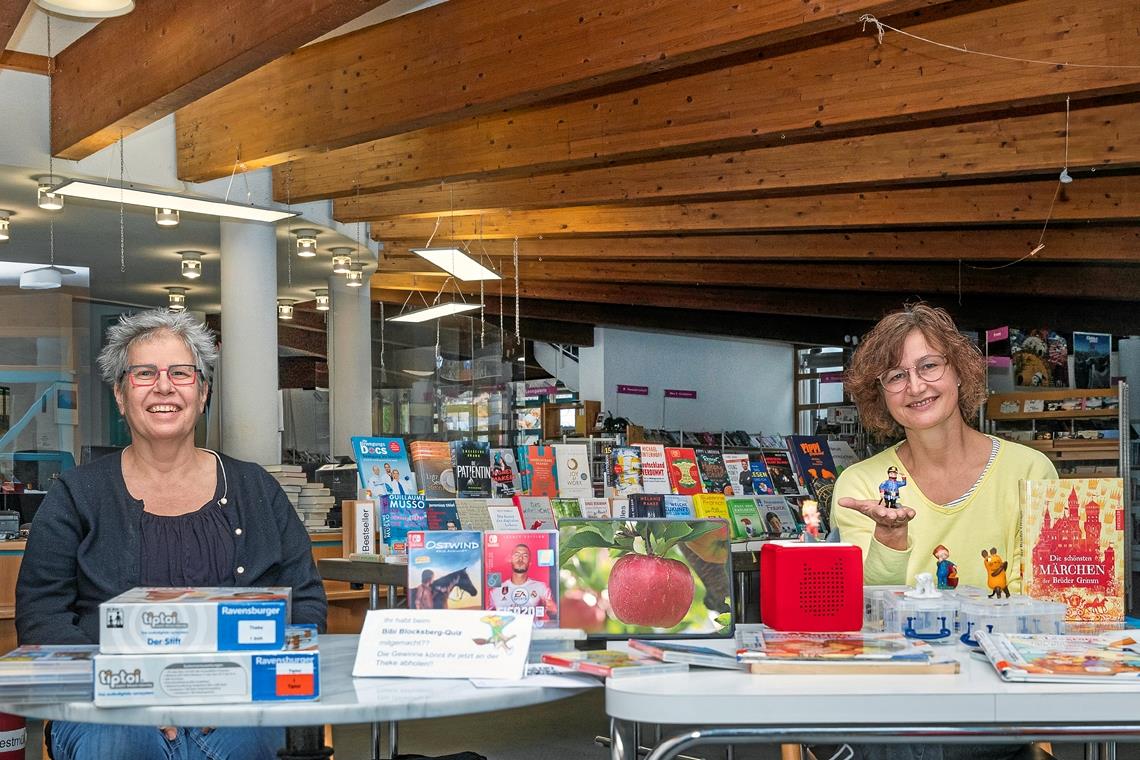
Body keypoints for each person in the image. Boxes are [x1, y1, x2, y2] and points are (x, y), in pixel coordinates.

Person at [16, 310, 327, 760]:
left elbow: (306, 605)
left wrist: (236, 686)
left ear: (203, 393)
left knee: (258, 742)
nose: (164, 386)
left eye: (181, 373)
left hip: (239, 704)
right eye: (144, 373)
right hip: (109, 709)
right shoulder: (77, 493)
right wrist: (132, 692)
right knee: (118, 745)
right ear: (121, 396)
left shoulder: (257, 489)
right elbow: (42, 616)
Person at [830, 302, 1057, 760]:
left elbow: (1035, 602)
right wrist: (890, 541)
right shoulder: (859, 485)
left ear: (959, 372)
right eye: (895, 376)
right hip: (890, 693)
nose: (915, 386)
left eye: (929, 365)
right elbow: (864, 613)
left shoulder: (1031, 470)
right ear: (881, 395)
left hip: (993, 693)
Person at [489, 543, 555, 621]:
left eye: (525, 556)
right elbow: (487, 617)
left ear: (530, 563)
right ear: (510, 560)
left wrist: (552, 610)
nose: (520, 559)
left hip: (532, 632)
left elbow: (553, 613)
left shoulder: (541, 588)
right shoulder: (496, 591)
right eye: (517, 555)